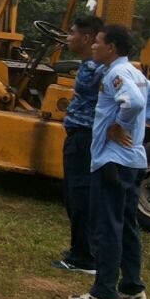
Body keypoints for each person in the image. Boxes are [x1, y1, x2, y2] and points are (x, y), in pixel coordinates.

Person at [70, 23, 150, 299]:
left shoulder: (115, 73)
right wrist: (138, 133)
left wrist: (120, 127)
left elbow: (135, 103)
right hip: (133, 161)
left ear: (111, 47)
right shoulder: (134, 73)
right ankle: (133, 290)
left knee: (106, 227)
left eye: (99, 42)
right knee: (127, 226)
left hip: (112, 161)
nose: (94, 46)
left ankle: (104, 293)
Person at [51, 14, 104, 274]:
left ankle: (84, 258)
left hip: (83, 137)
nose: (68, 37)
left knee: (79, 196)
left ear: (85, 38)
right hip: (80, 136)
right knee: (77, 195)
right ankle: (81, 251)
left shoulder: (98, 69)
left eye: (72, 33)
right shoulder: (91, 66)